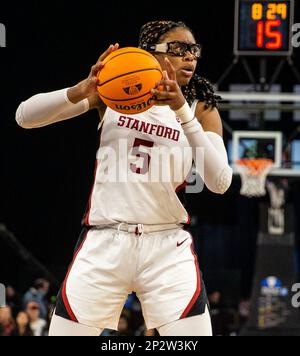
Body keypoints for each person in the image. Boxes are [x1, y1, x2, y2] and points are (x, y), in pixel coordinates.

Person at [16, 20, 232, 336]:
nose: (190, 57)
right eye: (179, 49)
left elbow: (220, 182)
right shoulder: (113, 92)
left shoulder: (199, 107)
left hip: (165, 246)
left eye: (194, 50)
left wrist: (182, 111)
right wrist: (78, 91)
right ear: (149, 54)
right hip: (105, 239)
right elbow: (24, 117)